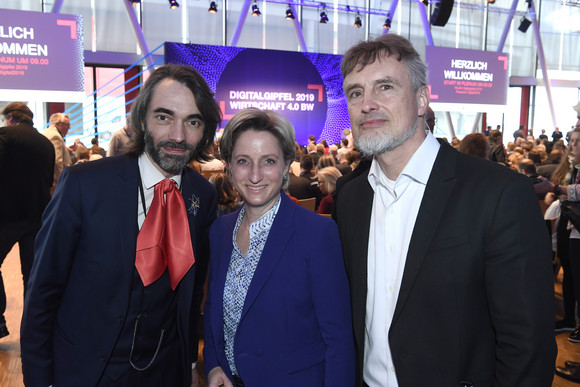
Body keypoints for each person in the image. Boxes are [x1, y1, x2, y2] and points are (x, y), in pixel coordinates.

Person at [336, 33, 556, 386]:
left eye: (385, 87)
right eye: (355, 92)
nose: (367, 104)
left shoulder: (499, 193)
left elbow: (527, 344)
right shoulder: (350, 199)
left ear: (422, 99)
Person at [21, 64, 221, 387]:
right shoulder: (84, 185)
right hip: (88, 371)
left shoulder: (203, 195)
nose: (178, 136)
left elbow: (192, 290)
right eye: (164, 117)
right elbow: (42, 294)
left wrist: (190, 366)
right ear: (142, 120)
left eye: (193, 122)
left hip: (165, 372)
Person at [203, 108, 354, 387]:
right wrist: (213, 365)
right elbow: (214, 309)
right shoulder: (220, 231)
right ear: (229, 166)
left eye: (268, 161)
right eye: (243, 161)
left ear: (286, 165)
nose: (255, 175)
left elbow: (339, 340)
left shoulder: (318, 234)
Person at [0, 102, 54, 339]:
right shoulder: (46, 143)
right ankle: (34, 333)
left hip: (7, 216)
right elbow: (50, 179)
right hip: (38, 216)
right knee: (32, 275)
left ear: (10, 118)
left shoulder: (5, 134)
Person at [43, 112, 72, 194]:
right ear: (57, 124)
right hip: (55, 185)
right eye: (67, 124)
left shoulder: (47, 132)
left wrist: (67, 150)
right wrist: (61, 184)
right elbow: (57, 162)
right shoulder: (55, 136)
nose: (69, 128)